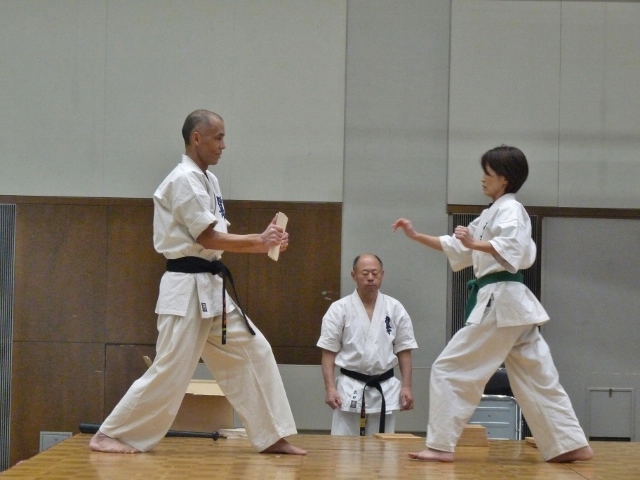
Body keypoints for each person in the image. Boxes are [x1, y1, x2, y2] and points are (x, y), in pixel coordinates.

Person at [90, 109, 306, 456]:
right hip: (185, 287)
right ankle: (110, 434)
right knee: (171, 368)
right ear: (196, 138)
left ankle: (271, 435)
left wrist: (264, 242)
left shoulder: (209, 180)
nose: (223, 145)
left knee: (254, 351)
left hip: (210, 285)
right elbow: (207, 237)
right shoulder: (183, 180)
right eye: (218, 137)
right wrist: (259, 240)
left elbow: (217, 238)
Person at [392, 145, 593, 463]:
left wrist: (476, 243)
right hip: (512, 307)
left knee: (450, 369)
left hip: (501, 301)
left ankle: (441, 445)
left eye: (488, 173)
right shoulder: (491, 214)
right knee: (536, 375)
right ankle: (569, 444)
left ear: (504, 179)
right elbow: (457, 246)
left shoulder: (511, 210)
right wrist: (416, 235)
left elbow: (511, 248)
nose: (482, 179)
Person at [317, 253, 418, 436]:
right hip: (350, 387)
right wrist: (330, 388)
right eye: (365, 273)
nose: (370, 277)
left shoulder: (395, 308)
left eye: (375, 273)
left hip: (384, 387)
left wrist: (406, 386)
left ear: (382, 274)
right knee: (343, 447)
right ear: (353, 275)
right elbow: (328, 352)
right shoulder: (339, 309)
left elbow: (404, 350)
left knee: (383, 447)